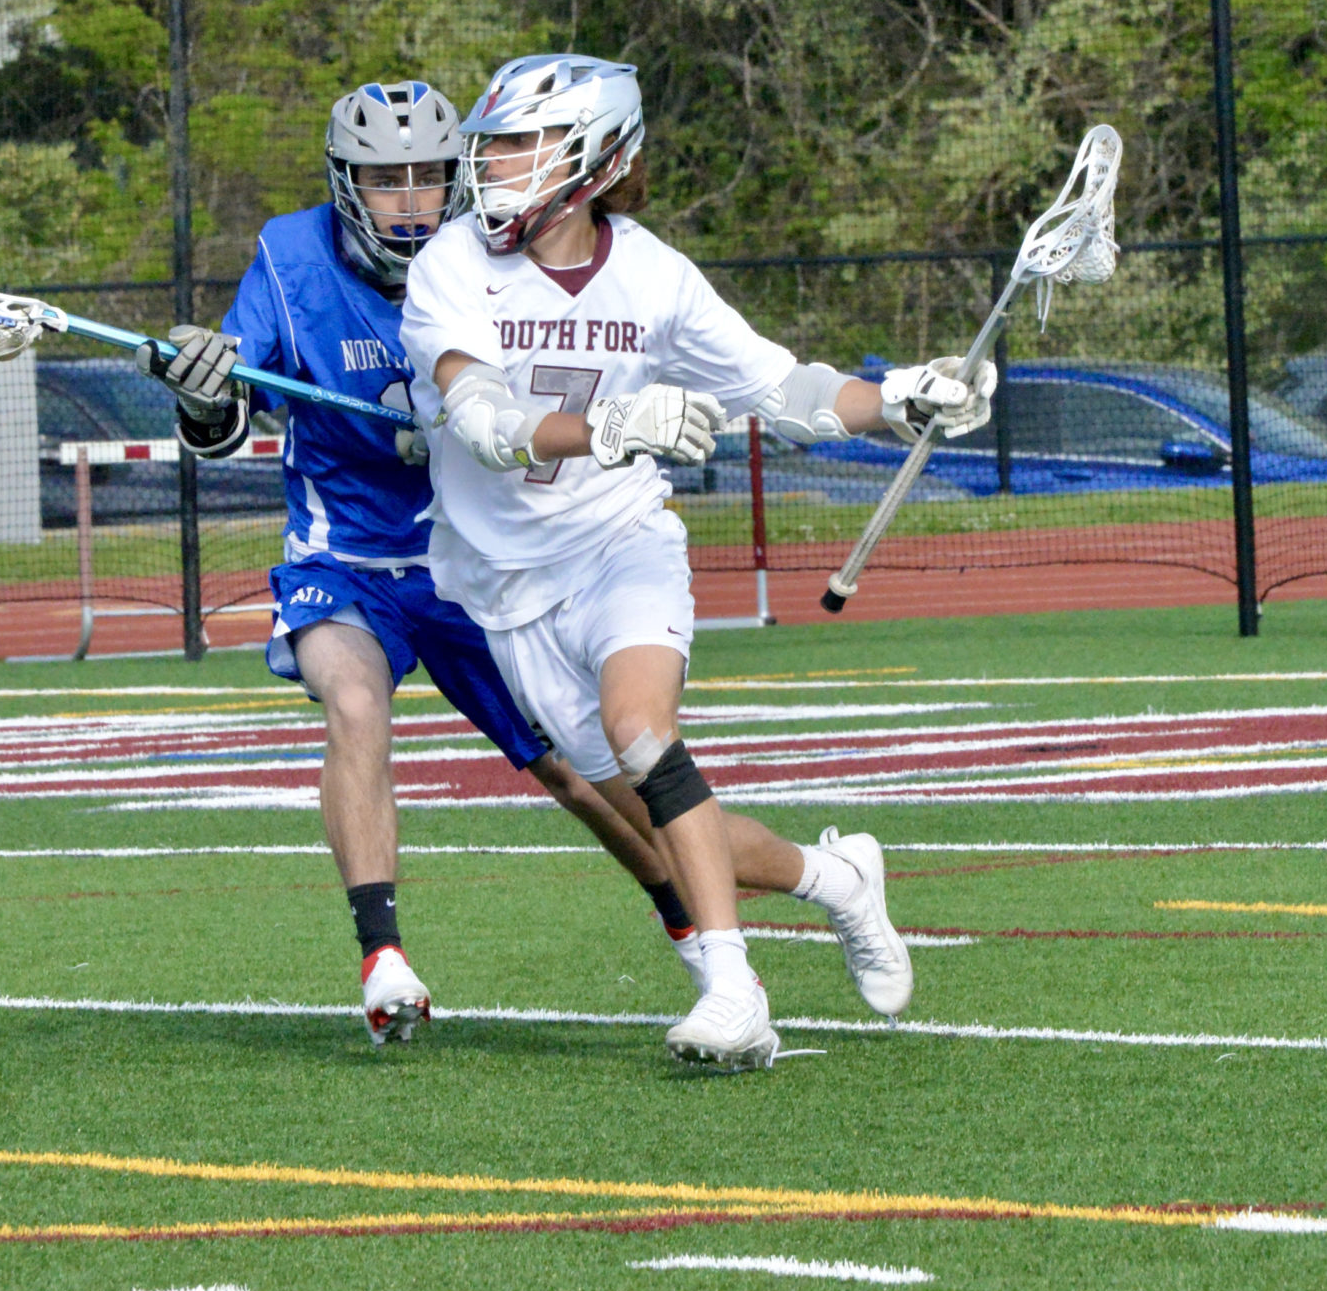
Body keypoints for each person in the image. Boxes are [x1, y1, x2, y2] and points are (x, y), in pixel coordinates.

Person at [138, 81, 869, 1050]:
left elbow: (515, 409)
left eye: (426, 175)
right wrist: (201, 396)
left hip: (482, 559)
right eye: (382, 178)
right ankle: (382, 954)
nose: (407, 196)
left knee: (591, 778)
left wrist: (457, 430)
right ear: (343, 180)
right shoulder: (291, 254)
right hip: (348, 555)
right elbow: (228, 419)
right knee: (354, 704)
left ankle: (740, 906)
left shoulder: (481, 252)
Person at [401, 52, 994, 1069]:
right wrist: (612, 420)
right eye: (488, 145)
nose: (489, 164)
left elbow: (788, 391)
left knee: (644, 734)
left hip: (620, 543)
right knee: (669, 811)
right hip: (504, 588)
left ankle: (733, 988)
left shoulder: (654, 274)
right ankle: (834, 875)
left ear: (591, 154)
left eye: (515, 144)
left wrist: (900, 398)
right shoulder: (450, 263)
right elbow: (486, 419)